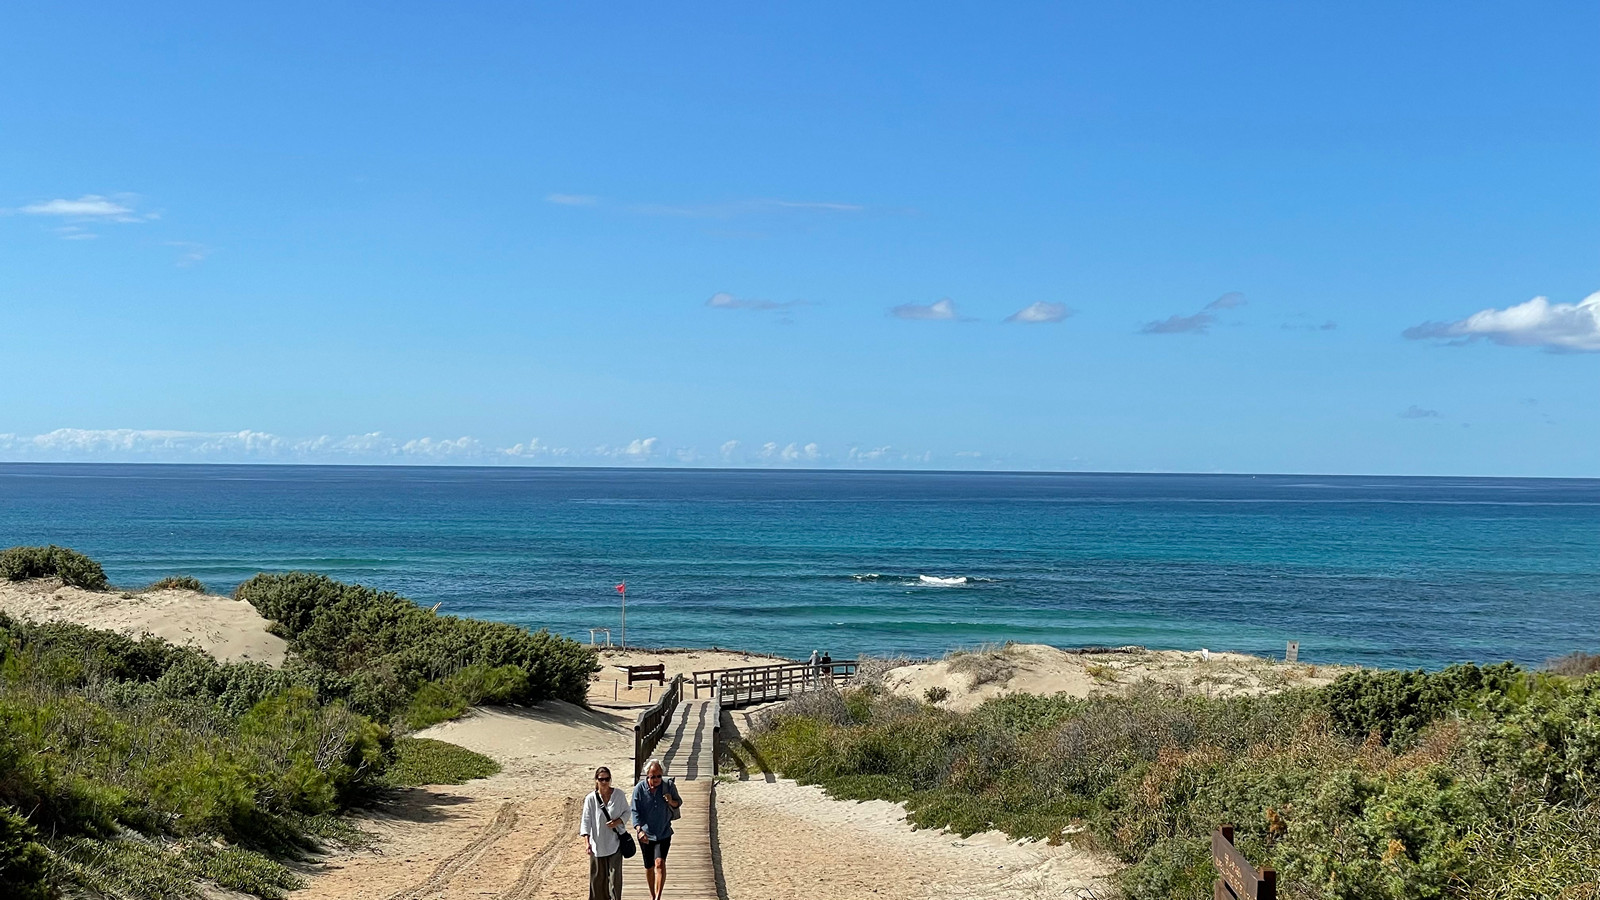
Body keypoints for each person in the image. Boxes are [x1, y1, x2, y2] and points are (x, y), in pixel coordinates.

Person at [630, 758, 682, 900]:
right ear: (648, 776)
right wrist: (639, 830)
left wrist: (671, 801)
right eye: (653, 776)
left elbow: (679, 802)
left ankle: (657, 897)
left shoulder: (668, 785)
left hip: (663, 832)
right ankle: (652, 893)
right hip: (645, 834)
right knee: (649, 867)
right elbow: (634, 811)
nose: (657, 779)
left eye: (659, 775)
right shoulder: (639, 789)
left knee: (659, 863)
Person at [579, 766, 630, 900]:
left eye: (607, 779)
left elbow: (627, 812)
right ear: (596, 780)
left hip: (615, 844)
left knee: (614, 881)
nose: (604, 782)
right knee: (597, 881)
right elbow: (586, 821)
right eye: (601, 779)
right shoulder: (590, 798)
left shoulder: (618, 795)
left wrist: (618, 821)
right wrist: (587, 843)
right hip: (597, 846)